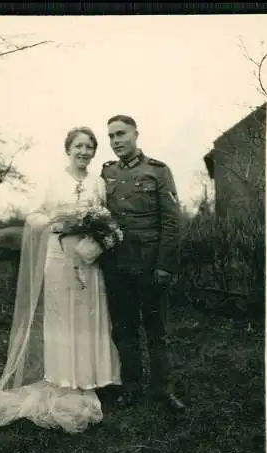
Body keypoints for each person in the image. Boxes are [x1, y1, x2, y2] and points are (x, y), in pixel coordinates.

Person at [0, 126, 122, 434]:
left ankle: (90, 379)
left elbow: (106, 218)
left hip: (89, 259)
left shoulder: (97, 182)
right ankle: (64, 379)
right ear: (68, 149)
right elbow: (33, 215)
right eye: (78, 146)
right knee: (62, 319)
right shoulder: (53, 179)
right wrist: (56, 221)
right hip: (59, 258)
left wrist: (99, 236)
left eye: (89, 147)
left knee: (89, 317)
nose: (84, 152)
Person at [100, 115, 185, 411]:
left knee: (156, 330)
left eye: (121, 134)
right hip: (116, 267)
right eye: (111, 136)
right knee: (124, 330)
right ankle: (131, 387)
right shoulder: (106, 173)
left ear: (136, 134)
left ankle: (163, 390)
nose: (116, 141)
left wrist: (165, 265)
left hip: (150, 266)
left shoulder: (158, 171)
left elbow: (172, 222)